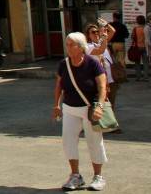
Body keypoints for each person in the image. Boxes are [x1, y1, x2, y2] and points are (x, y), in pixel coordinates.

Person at [53, 32, 108, 191]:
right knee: (68, 141)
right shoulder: (64, 64)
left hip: (89, 109)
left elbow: (102, 86)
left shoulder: (92, 63)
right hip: (70, 107)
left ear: (81, 47)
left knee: (94, 141)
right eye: (67, 44)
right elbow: (59, 85)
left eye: (72, 45)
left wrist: (100, 106)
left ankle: (98, 176)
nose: (68, 48)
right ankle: (75, 176)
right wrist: (56, 105)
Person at [85, 22, 120, 117]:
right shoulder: (88, 46)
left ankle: (110, 123)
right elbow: (100, 50)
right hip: (98, 79)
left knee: (111, 101)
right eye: (93, 32)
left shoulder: (102, 41)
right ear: (88, 35)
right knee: (99, 102)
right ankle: (97, 121)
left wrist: (106, 24)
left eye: (97, 31)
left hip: (109, 77)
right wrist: (104, 37)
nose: (96, 33)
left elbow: (112, 31)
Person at [129, 15, 147, 80]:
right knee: (146, 62)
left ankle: (138, 76)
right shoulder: (146, 28)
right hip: (145, 46)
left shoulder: (135, 29)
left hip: (137, 47)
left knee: (137, 62)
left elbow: (132, 37)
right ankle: (146, 77)